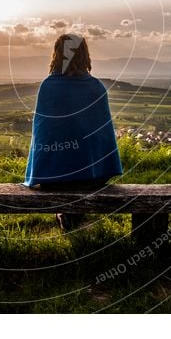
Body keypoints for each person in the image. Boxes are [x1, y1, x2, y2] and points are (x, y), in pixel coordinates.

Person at [23, 33, 123, 231]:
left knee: (67, 181)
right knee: (83, 181)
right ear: (84, 55)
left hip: (53, 179)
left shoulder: (48, 87)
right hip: (93, 178)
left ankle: (68, 215)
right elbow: (102, 138)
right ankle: (72, 216)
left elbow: (43, 134)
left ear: (57, 55)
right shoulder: (96, 88)